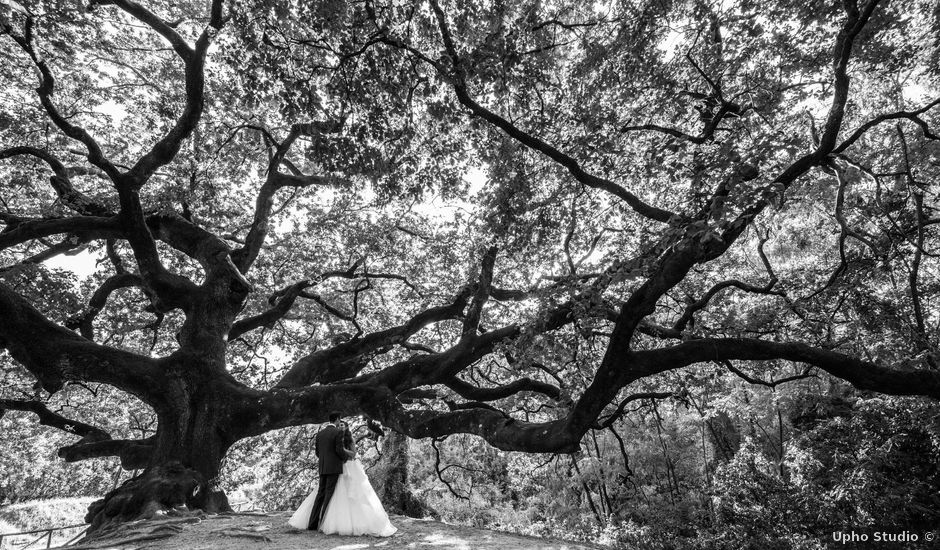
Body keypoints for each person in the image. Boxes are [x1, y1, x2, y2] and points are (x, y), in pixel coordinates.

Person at [318, 420, 397, 537]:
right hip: (339, 468)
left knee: (354, 493)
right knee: (338, 493)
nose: (340, 427)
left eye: (342, 425)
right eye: (339, 425)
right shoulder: (335, 437)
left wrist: (341, 450)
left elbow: (353, 454)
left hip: (350, 466)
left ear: (346, 427)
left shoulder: (349, 439)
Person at [288, 412, 354, 530]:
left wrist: (325, 460)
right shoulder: (338, 432)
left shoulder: (320, 434)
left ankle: (312, 524)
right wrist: (344, 459)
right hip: (334, 467)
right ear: (338, 419)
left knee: (320, 495)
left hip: (323, 467)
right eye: (340, 419)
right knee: (329, 495)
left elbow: (318, 453)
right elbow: (339, 450)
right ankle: (323, 524)